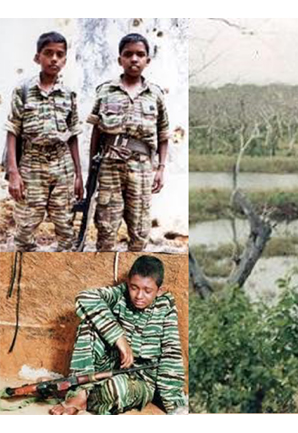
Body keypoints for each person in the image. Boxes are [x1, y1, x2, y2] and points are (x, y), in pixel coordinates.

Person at [49, 255, 187, 415]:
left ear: (159, 290)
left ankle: (85, 396)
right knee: (89, 322)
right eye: (134, 288)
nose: (139, 296)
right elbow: (85, 297)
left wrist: (174, 405)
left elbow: (171, 354)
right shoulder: (120, 294)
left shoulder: (165, 307)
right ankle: (80, 393)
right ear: (128, 284)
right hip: (108, 366)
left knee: (115, 389)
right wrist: (118, 338)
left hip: (141, 380)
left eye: (148, 291)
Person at [88, 33, 169, 251]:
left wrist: (160, 169)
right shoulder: (105, 91)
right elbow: (96, 131)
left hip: (141, 167)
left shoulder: (156, 95)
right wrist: (91, 170)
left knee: (140, 227)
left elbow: (163, 134)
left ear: (147, 60)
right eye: (128, 54)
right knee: (106, 225)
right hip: (109, 164)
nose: (134, 59)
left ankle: (134, 273)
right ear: (120, 59)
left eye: (140, 55)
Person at [3, 31, 83, 251]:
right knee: (25, 227)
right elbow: (13, 131)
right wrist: (13, 173)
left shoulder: (69, 94)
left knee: (66, 227)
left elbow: (73, 135)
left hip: (62, 165)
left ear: (65, 60)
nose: (54, 59)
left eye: (59, 54)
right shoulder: (24, 90)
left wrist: (78, 175)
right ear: (37, 57)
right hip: (31, 164)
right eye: (48, 53)